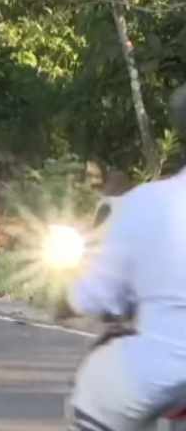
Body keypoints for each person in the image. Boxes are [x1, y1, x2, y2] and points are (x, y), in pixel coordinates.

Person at [60, 84, 186, 430]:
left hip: (162, 370)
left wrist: (63, 298)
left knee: (95, 395)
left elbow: (94, 295)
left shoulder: (147, 203)